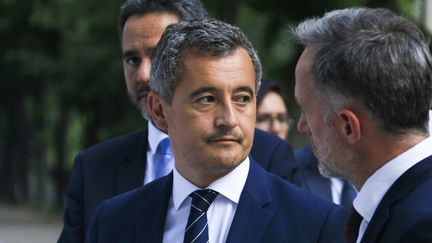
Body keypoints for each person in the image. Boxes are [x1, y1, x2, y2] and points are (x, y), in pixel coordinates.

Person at [85, 18, 345, 243]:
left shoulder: (317, 225)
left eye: (242, 98)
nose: (229, 119)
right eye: (207, 99)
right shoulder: (113, 222)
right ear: (159, 111)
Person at [58, 0, 298, 242]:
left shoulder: (270, 157)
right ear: (158, 110)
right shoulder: (94, 168)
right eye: (132, 59)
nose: (143, 74)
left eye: (159, 54)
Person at [292, 7, 432, 243]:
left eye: (306, 110)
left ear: (348, 125)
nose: (301, 126)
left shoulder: (420, 226)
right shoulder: (407, 202)